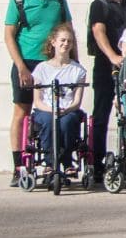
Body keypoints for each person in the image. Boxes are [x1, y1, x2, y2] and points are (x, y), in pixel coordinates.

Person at [5, 0, 72, 185]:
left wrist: (73, 63)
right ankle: (18, 167)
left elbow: (68, 29)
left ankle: (56, 163)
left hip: (53, 65)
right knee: (21, 113)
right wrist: (21, 66)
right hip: (27, 62)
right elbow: (9, 35)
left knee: (57, 111)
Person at [87, 0, 126, 181]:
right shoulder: (98, 5)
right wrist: (113, 57)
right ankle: (97, 164)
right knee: (101, 115)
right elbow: (99, 32)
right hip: (105, 67)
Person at [30, 24, 87, 172]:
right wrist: (52, 110)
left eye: (69, 41)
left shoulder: (78, 70)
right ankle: (50, 163)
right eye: (62, 40)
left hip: (68, 109)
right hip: (45, 109)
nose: (66, 44)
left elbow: (77, 102)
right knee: (49, 121)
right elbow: (37, 101)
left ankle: (67, 162)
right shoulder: (41, 69)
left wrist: (65, 110)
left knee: (67, 122)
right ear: (53, 42)